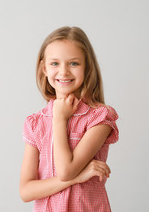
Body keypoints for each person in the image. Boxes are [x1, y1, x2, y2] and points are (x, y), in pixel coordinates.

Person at [19, 26, 119, 211]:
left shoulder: (99, 118)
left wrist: (59, 119)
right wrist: (79, 177)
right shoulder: (35, 123)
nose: (63, 72)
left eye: (74, 63)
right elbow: (26, 191)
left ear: (87, 67)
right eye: (55, 63)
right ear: (44, 68)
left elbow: (66, 171)